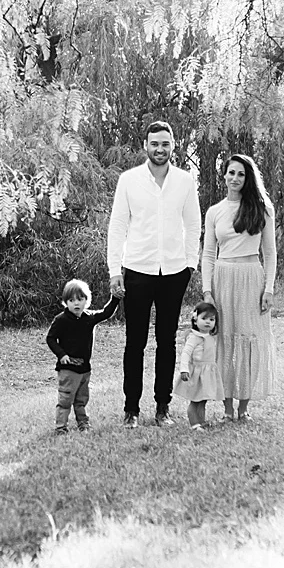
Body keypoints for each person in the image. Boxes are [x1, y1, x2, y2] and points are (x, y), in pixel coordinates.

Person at [107, 120, 201, 428]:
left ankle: (163, 408)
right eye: (154, 143)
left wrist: (191, 264)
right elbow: (118, 226)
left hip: (174, 271)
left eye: (165, 144)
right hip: (137, 270)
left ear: (173, 146)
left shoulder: (185, 182)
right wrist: (114, 270)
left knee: (167, 341)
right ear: (145, 146)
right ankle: (131, 409)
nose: (160, 149)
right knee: (135, 343)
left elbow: (193, 225)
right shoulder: (129, 180)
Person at [201, 153, 277, 422]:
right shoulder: (214, 212)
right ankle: (227, 408)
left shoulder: (262, 209)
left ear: (248, 178)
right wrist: (207, 289)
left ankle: (244, 407)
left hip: (250, 277)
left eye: (241, 174)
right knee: (225, 342)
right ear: (224, 176)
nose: (235, 178)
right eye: (231, 173)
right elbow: (208, 253)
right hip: (223, 278)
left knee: (249, 340)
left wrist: (268, 288)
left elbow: (270, 252)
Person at [44, 279, 120, 434]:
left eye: (80, 299)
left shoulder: (89, 318)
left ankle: (83, 424)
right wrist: (61, 354)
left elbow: (106, 313)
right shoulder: (61, 320)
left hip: (85, 368)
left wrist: (116, 298)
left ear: (87, 300)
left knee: (81, 399)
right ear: (65, 302)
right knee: (66, 399)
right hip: (67, 369)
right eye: (71, 300)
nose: (76, 303)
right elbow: (50, 338)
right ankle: (60, 427)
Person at [174, 301, 221, 431]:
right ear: (195, 320)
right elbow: (186, 354)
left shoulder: (211, 336)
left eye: (211, 319)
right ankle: (194, 424)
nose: (208, 322)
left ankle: (201, 421)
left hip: (207, 372)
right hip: (196, 373)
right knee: (195, 400)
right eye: (204, 318)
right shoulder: (194, 337)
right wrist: (184, 369)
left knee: (203, 399)